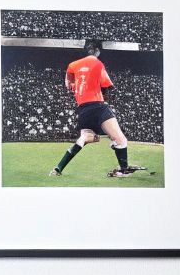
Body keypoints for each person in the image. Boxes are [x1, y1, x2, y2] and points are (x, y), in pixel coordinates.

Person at [49, 39, 146, 179]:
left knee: (87, 138)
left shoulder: (72, 65)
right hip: (98, 106)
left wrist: (76, 86)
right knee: (121, 140)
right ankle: (122, 170)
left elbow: (69, 84)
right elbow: (107, 86)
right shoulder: (98, 64)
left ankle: (58, 168)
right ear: (97, 50)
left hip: (83, 109)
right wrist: (104, 97)